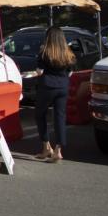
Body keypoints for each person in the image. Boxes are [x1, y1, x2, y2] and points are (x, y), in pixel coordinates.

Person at [34, 26, 76, 162]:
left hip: (47, 86)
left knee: (40, 114)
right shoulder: (67, 52)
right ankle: (58, 150)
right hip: (63, 86)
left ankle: (46, 146)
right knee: (60, 117)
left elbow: (39, 71)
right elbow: (70, 72)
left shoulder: (44, 51)